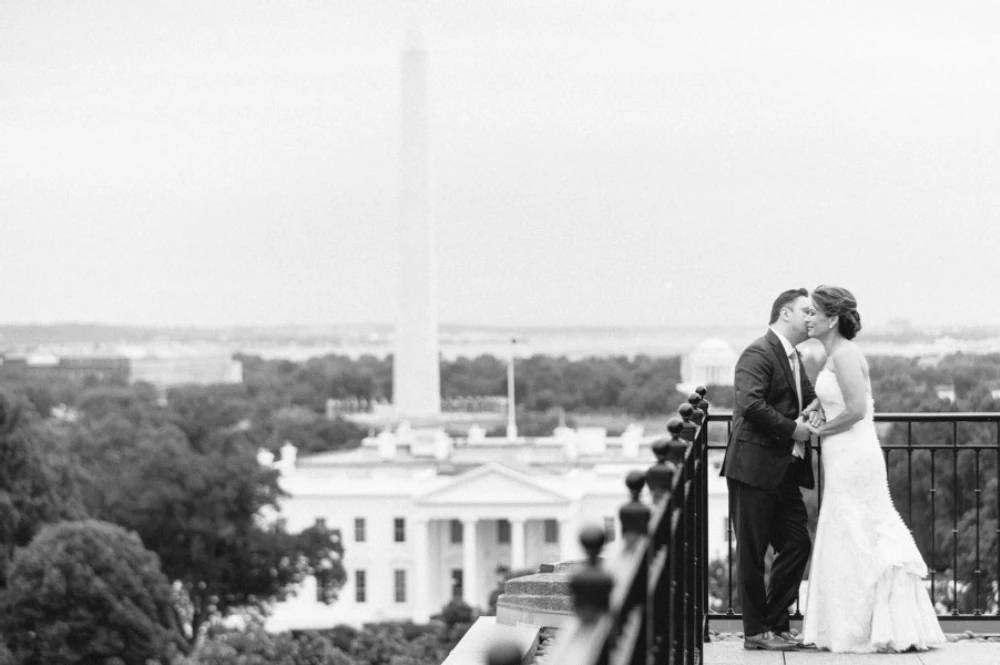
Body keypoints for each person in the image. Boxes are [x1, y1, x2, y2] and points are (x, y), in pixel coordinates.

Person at [801, 285, 944, 652]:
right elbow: (839, 396)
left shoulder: (845, 354)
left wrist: (817, 431)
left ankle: (869, 627)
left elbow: (856, 410)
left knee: (857, 528)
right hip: (842, 453)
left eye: (814, 312)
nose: (808, 318)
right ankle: (850, 624)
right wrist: (818, 403)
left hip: (854, 454)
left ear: (832, 319)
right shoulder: (835, 355)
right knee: (846, 529)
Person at [721, 288, 823, 651]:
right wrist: (792, 428)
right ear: (784, 314)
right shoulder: (758, 352)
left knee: (797, 543)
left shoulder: (794, 358)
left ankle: (777, 625)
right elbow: (749, 403)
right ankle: (755, 632)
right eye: (805, 311)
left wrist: (812, 408)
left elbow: (808, 396)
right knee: (752, 551)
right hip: (753, 468)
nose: (811, 318)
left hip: (783, 471)